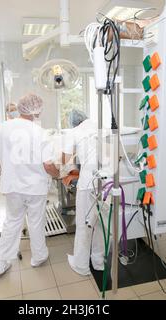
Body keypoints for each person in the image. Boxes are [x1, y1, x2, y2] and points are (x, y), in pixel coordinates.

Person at [0, 93, 59, 276]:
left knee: (12, 221)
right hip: (35, 187)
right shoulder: (40, 132)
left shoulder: (4, 128)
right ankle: (38, 257)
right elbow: (48, 165)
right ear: (37, 110)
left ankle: (1, 263)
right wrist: (58, 174)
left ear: (21, 108)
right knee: (36, 222)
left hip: (12, 185)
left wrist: (10, 172)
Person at [62, 109, 105, 276]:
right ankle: (98, 261)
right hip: (105, 181)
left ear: (73, 122)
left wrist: (67, 170)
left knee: (83, 223)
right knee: (100, 222)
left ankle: (81, 265)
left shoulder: (74, 131)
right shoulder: (99, 125)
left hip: (87, 182)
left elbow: (65, 159)